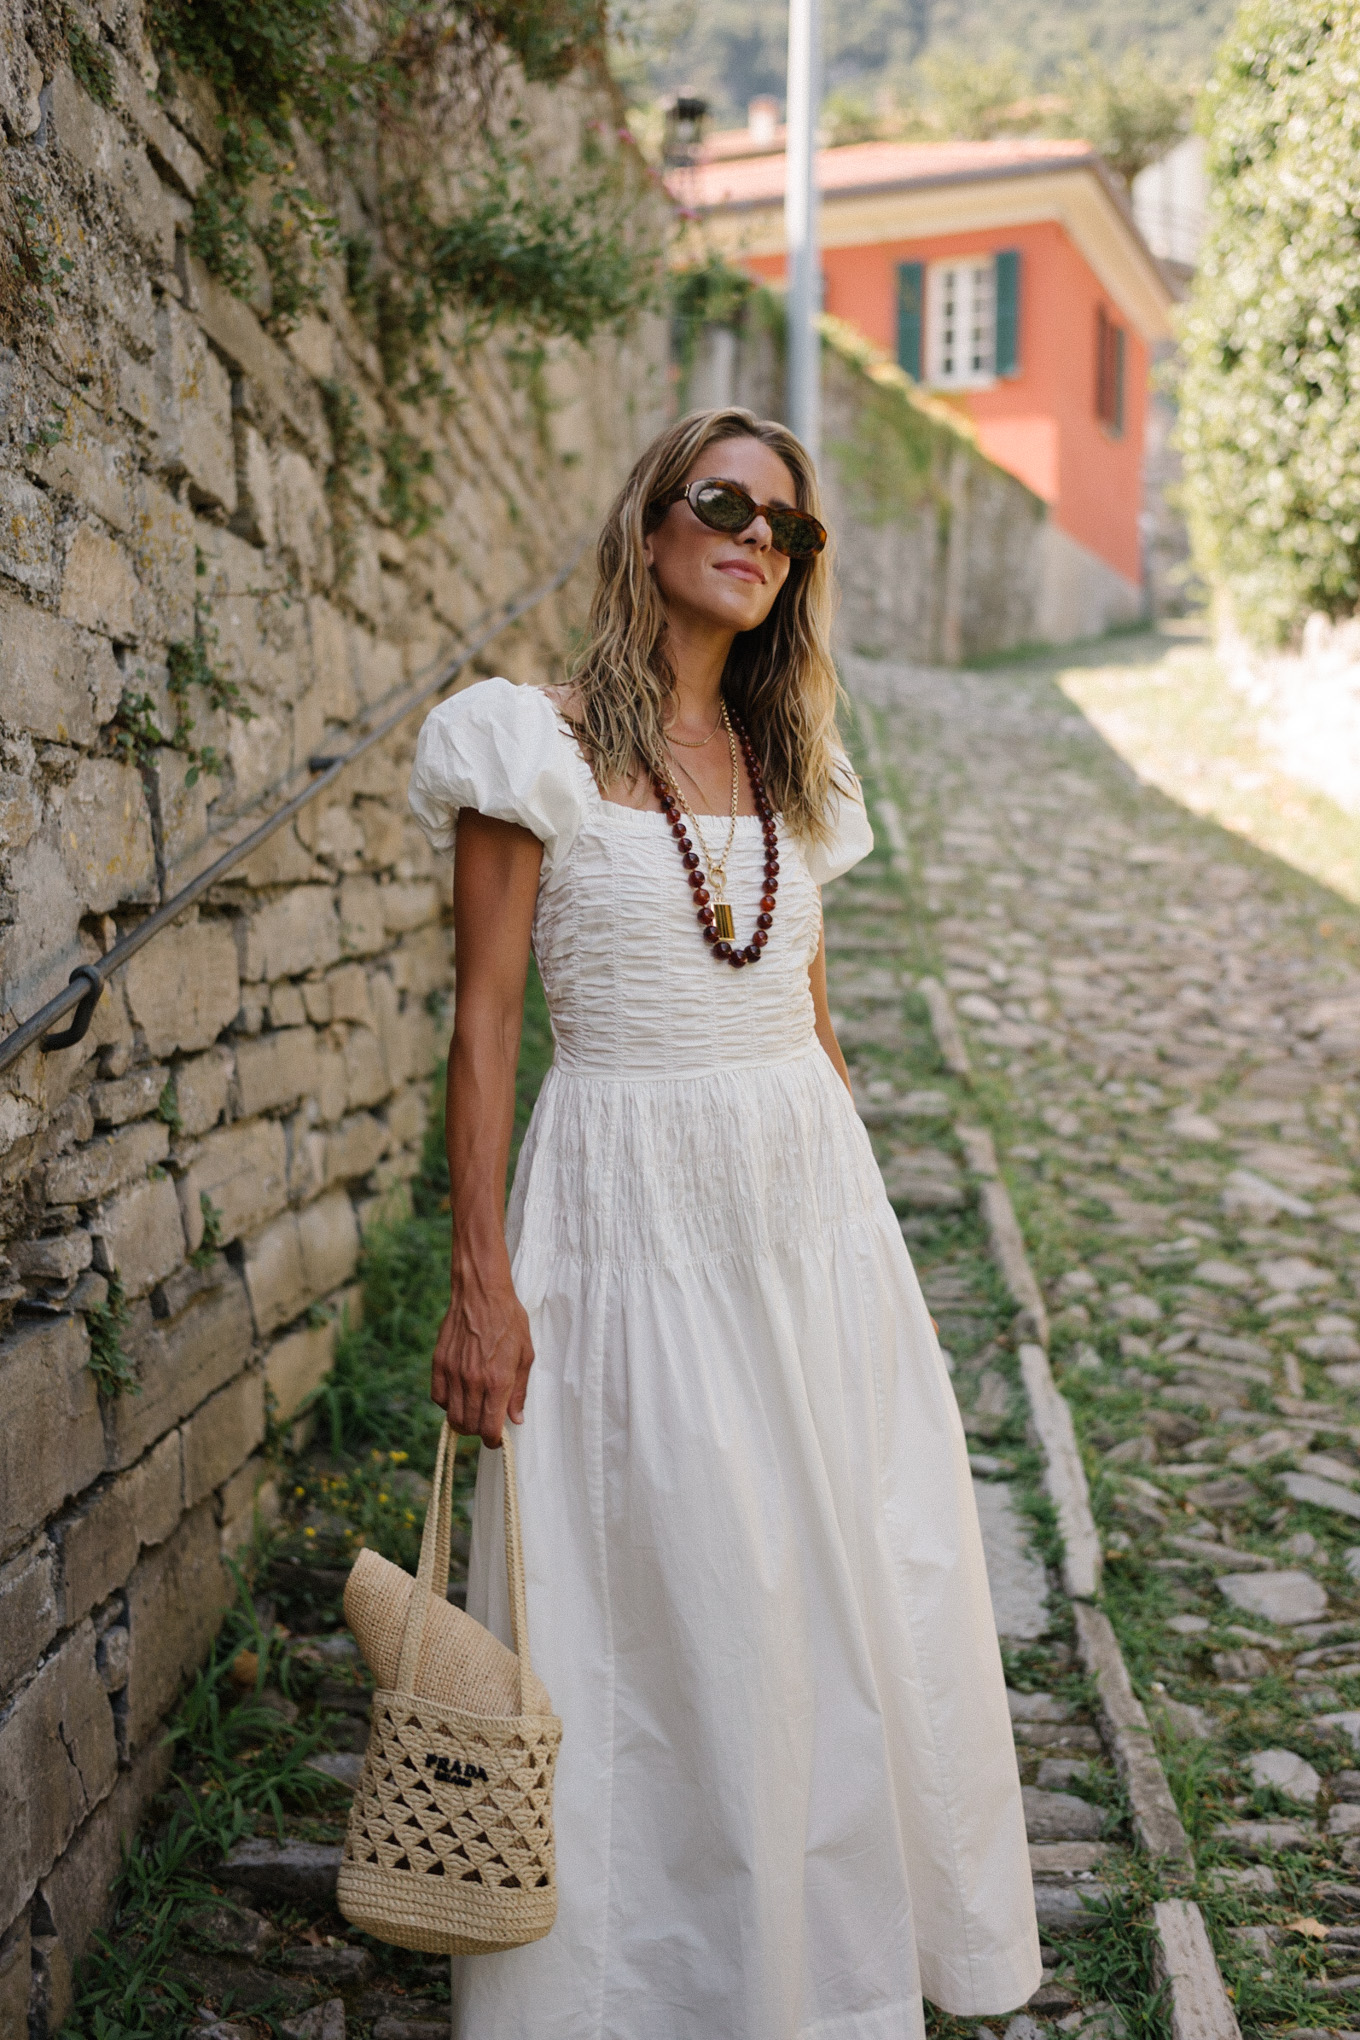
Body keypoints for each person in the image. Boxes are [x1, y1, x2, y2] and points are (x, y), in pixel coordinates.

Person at [408, 406, 1040, 2040]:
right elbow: (484, 1027)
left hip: (799, 1225)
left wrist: (864, 1262)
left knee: (816, 1608)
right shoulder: (525, 744)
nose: (759, 536)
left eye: (791, 526)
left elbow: (810, 1024)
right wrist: (480, 1285)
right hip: (620, 1223)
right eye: (727, 502)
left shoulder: (794, 767)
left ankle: (801, 1992)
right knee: (657, 1611)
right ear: (651, 520)